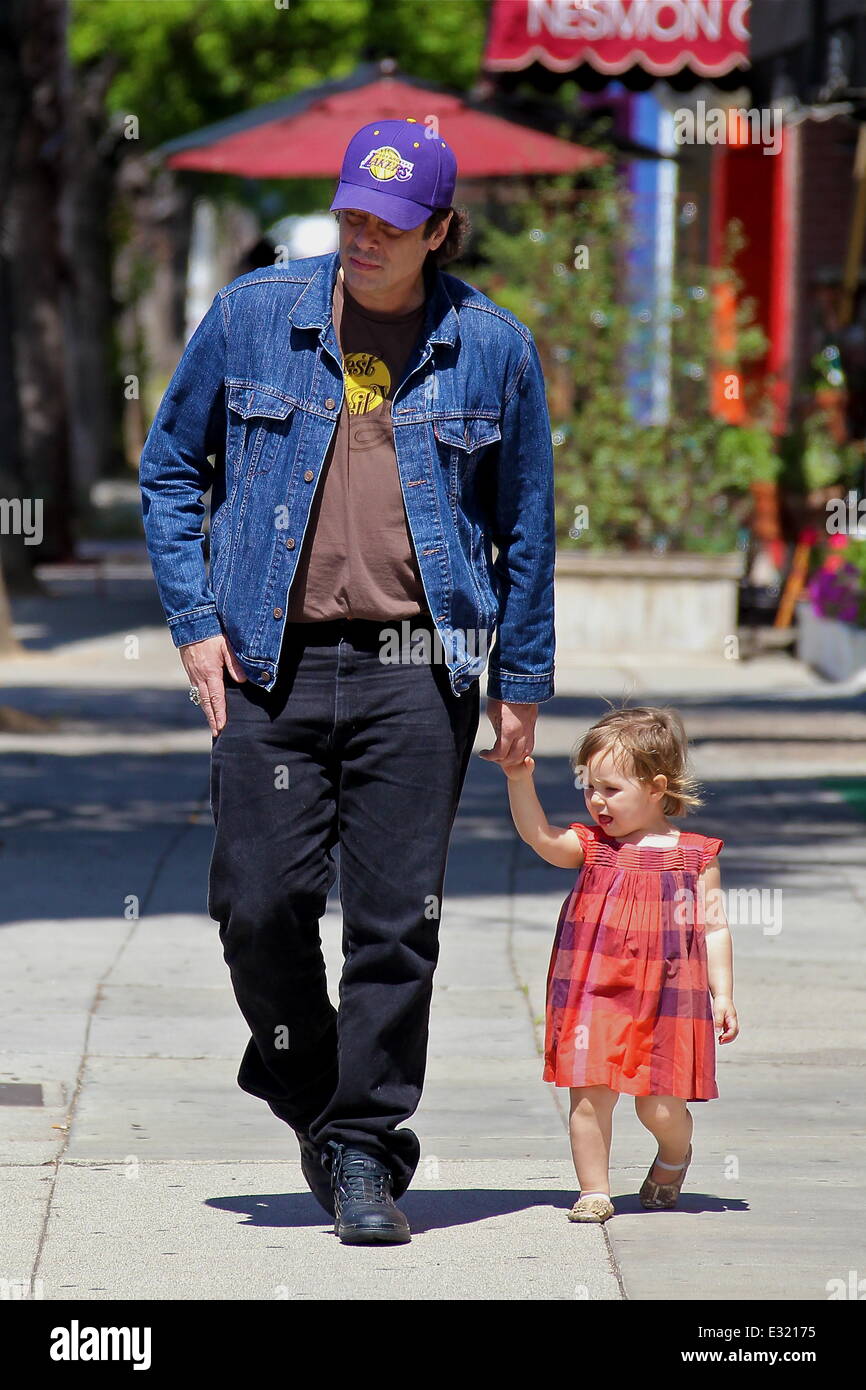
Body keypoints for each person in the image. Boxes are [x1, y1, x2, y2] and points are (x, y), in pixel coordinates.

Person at [139, 117, 556, 1244]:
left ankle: (364, 1151)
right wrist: (190, 622)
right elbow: (171, 468)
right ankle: (313, 1093)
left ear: (439, 230)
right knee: (256, 907)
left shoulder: (492, 347)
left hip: (418, 672)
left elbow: (524, 524)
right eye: (350, 216)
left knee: (393, 926)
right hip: (269, 662)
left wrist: (521, 677)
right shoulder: (252, 319)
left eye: (387, 224)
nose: (361, 237)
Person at [494, 703, 738, 1223]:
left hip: (669, 994)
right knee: (590, 1094)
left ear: (657, 787)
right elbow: (541, 838)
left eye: (611, 789)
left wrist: (724, 995)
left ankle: (674, 1156)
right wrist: (520, 780)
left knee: (659, 1107)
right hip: (594, 988)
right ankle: (594, 1190)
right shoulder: (592, 846)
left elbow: (714, 927)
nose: (596, 801)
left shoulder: (695, 854)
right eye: (590, 787)